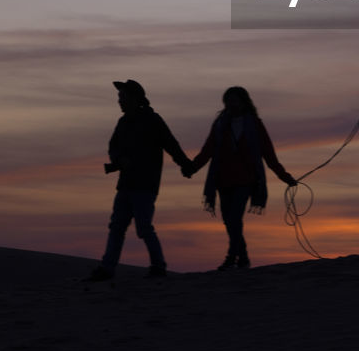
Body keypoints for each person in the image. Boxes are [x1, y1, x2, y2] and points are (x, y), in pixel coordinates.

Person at [87, 79, 193, 281]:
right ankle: (107, 269)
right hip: (126, 183)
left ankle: (158, 266)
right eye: (119, 97)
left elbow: (170, 143)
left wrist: (185, 164)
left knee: (143, 227)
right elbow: (113, 147)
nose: (119, 101)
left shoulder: (153, 120)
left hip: (145, 183)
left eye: (123, 97)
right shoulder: (124, 122)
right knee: (117, 226)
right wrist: (118, 160)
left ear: (135, 98)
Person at [184, 86, 298, 270]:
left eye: (235, 100)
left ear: (244, 102)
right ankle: (243, 257)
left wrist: (285, 177)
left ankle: (232, 257)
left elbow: (269, 154)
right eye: (228, 100)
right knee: (229, 220)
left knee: (234, 219)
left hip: (246, 180)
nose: (231, 104)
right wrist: (192, 168)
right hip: (222, 179)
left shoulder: (255, 124)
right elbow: (208, 150)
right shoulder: (220, 124)